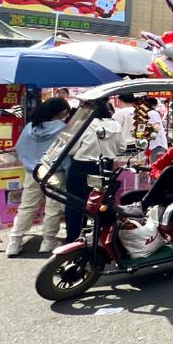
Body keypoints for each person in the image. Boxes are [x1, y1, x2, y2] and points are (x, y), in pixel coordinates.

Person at [7, 98, 70, 256]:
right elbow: (66, 153)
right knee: (53, 207)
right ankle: (48, 241)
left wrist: (30, 162)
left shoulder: (30, 127)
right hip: (54, 172)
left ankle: (14, 242)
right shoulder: (63, 128)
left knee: (27, 206)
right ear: (62, 112)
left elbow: (20, 149)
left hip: (32, 172)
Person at [64, 100, 124, 242]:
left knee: (76, 203)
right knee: (102, 203)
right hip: (106, 166)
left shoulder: (83, 124)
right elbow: (121, 146)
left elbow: (71, 149)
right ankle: (103, 238)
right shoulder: (115, 124)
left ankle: (74, 238)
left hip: (82, 166)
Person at [144, 98, 168, 162]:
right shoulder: (151, 113)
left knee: (155, 164)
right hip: (155, 143)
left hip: (156, 144)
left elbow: (156, 127)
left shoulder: (152, 113)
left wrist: (148, 137)